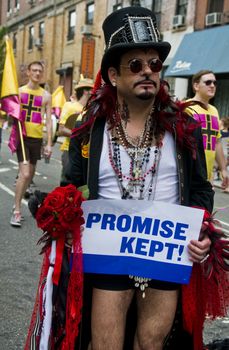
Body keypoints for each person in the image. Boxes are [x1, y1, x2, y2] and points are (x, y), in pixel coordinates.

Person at [68, 7, 217, 350]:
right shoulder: (89, 129)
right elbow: (71, 185)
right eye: (135, 65)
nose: (148, 71)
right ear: (113, 75)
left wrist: (201, 231)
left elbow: (200, 190)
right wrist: (62, 212)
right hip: (108, 251)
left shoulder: (185, 128)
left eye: (154, 63)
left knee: (151, 343)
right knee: (105, 343)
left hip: (165, 250)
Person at [10, 61, 52, 227]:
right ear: (28, 72)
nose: (36, 73)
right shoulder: (19, 92)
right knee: (25, 173)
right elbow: (11, 112)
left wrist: (49, 143)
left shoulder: (46, 95)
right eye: (33, 70)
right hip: (22, 137)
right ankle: (17, 210)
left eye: (39, 71)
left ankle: (17, 200)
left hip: (36, 139)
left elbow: (48, 121)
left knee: (31, 174)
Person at [185, 70, 229, 188]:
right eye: (208, 82)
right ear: (196, 85)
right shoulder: (186, 107)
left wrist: (223, 170)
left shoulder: (214, 111)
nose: (212, 85)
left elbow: (217, 142)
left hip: (207, 177)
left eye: (214, 83)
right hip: (189, 175)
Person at [58, 75, 93, 185]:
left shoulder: (92, 110)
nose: (95, 92)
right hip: (69, 150)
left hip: (87, 153)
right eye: (93, 89)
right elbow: (61, 130)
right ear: (86, 91)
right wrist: (79, 136)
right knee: (67, 184)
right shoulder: (70, 106)